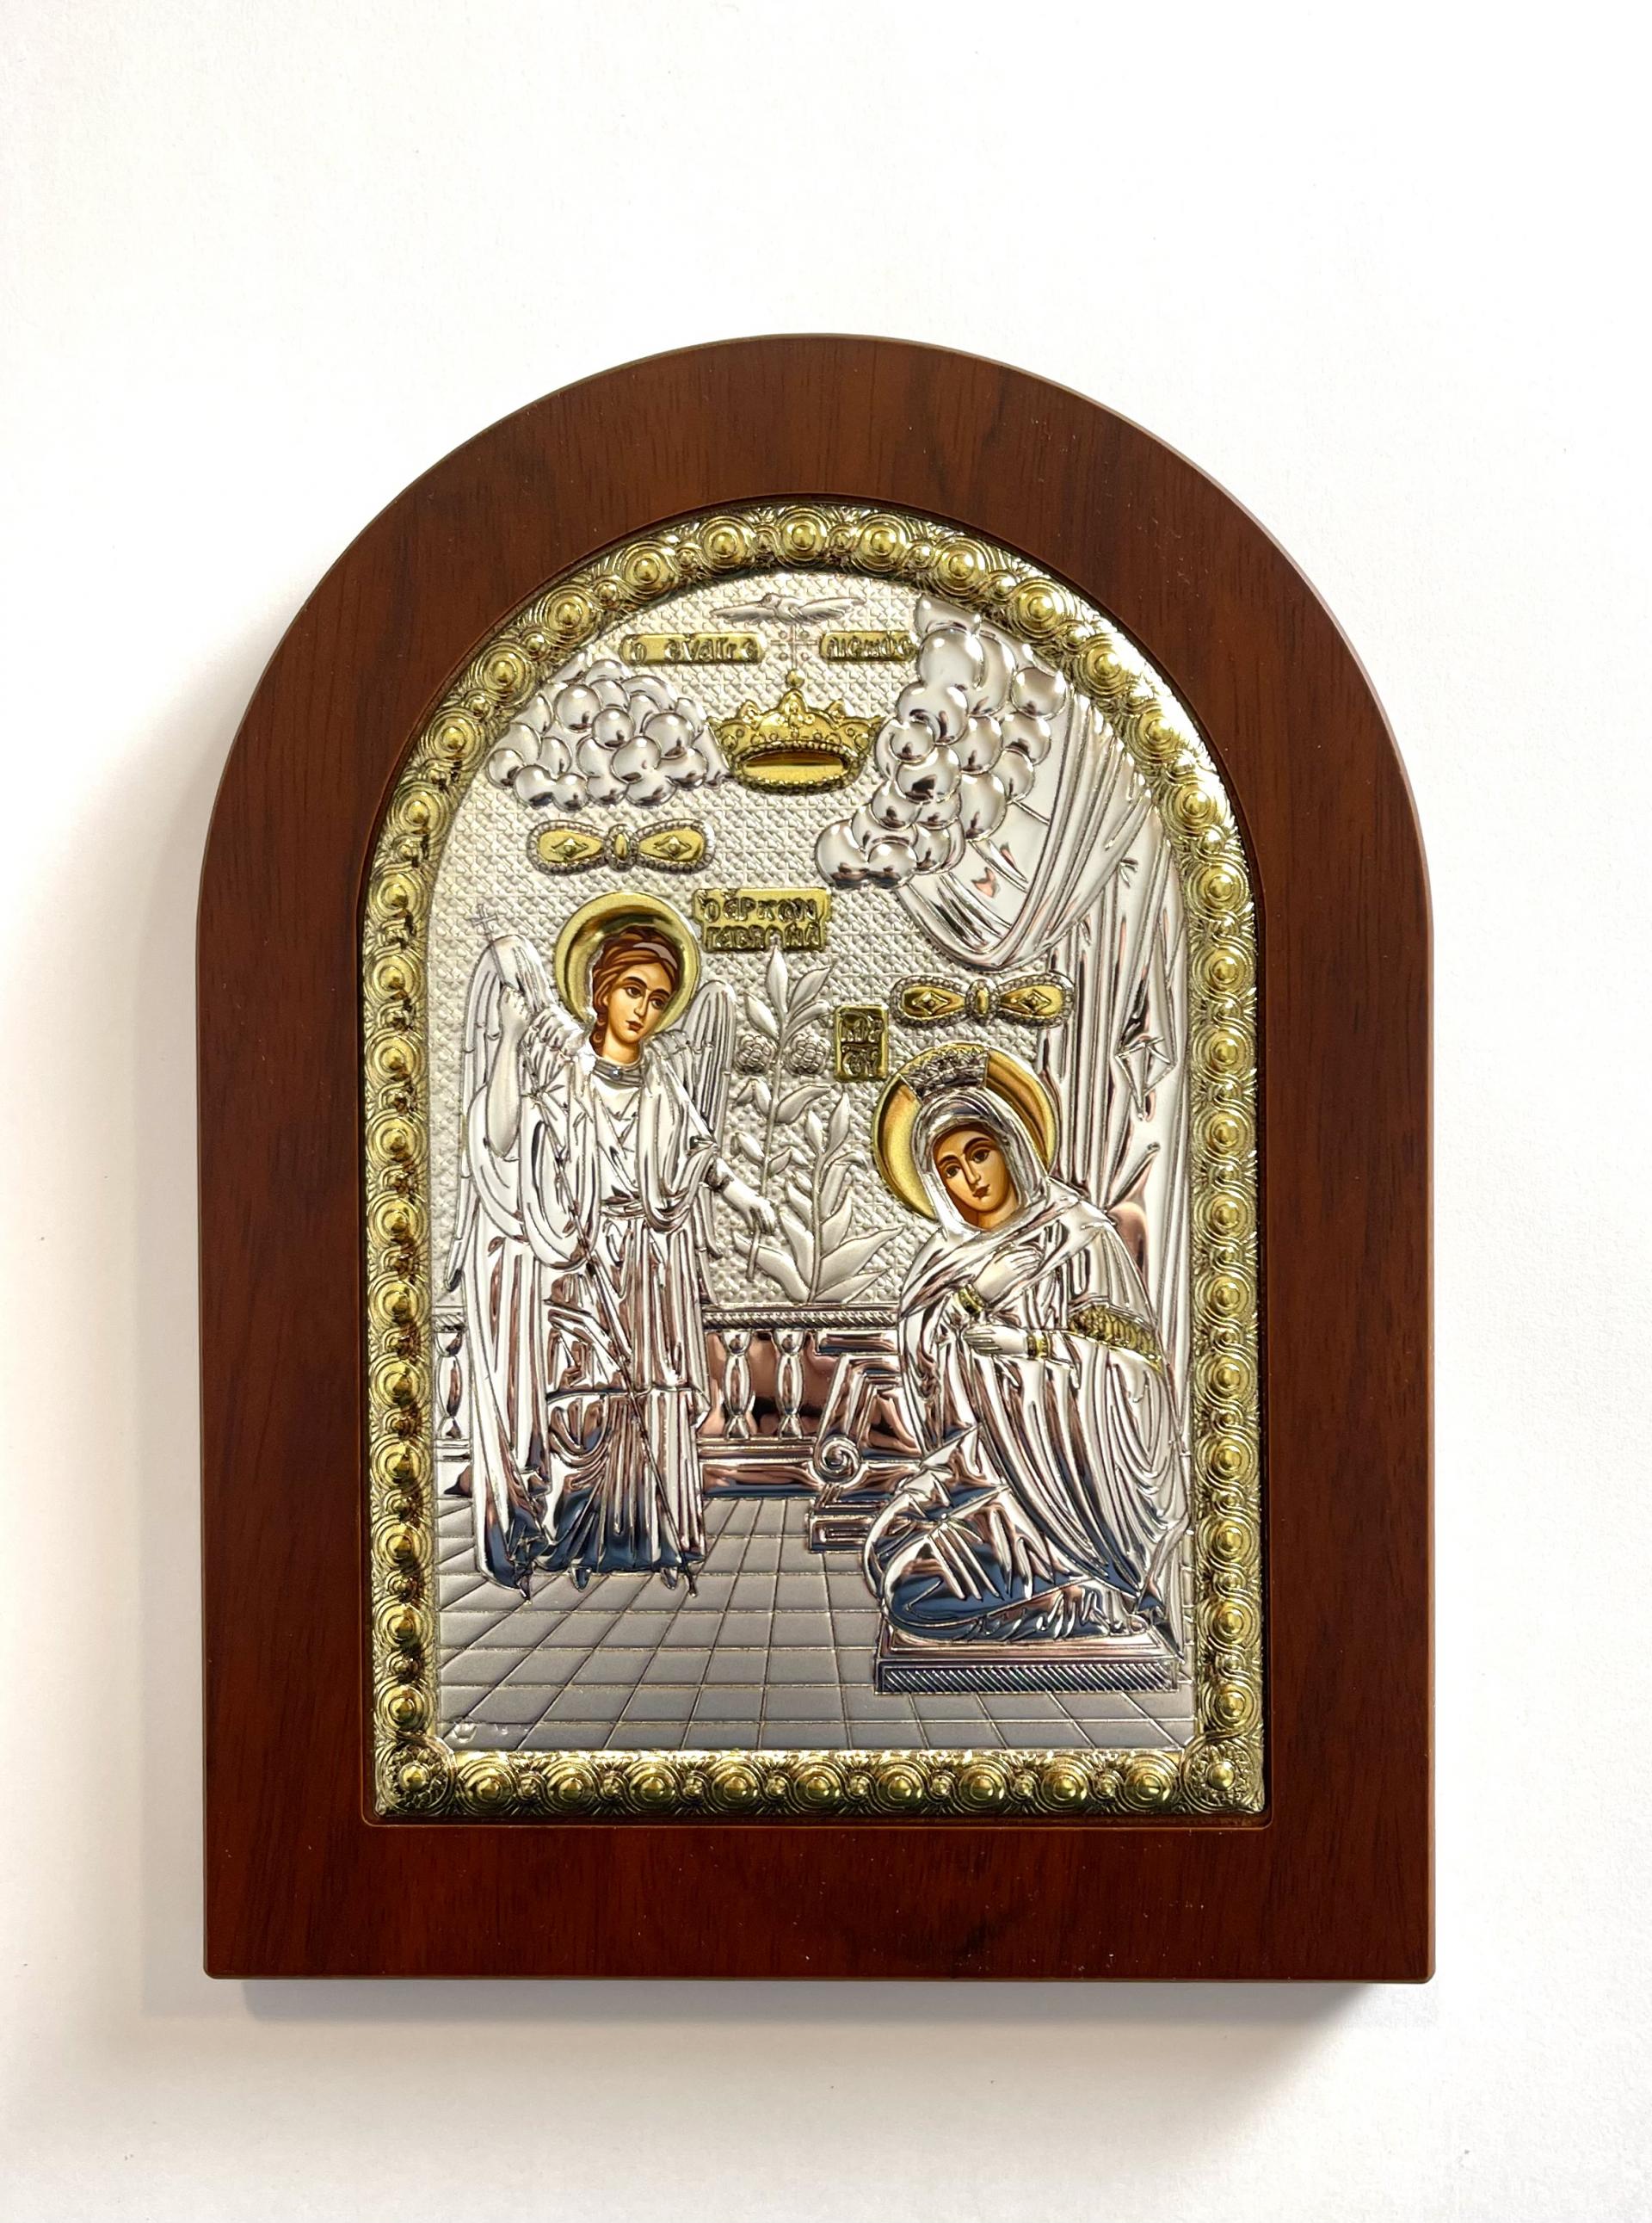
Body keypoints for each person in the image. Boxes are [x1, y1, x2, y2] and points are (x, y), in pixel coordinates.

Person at [449, 892, 772, 1590]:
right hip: (580, 1257)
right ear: (599, 990)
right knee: (586, 1395)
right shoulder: (562, 1074)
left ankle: (651, 1537)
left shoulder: (662, 1081)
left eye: (657, 999)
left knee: (651, 1392)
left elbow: (697, 1152)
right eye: (632, 990)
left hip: (650, 1265)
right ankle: (576, 1535)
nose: (643, 1010)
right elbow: (500, 1136)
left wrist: (741, 1196)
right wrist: (508, 1039)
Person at [866, 1042, 1187, 1647]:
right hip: (980, 1466)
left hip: (1078, 1487)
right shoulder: (944, 1260)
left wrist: (1029, 1343)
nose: (970, 1179)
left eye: (979, 1153)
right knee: (885, 1555)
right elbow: (925, 1369)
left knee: (912, 1591)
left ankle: (1089, 1589)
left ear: (1011, 1146)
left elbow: (1135, 1368)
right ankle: (1050, 1586)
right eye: (950, 1169)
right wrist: (973, 1297)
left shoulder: (1079, 1236)